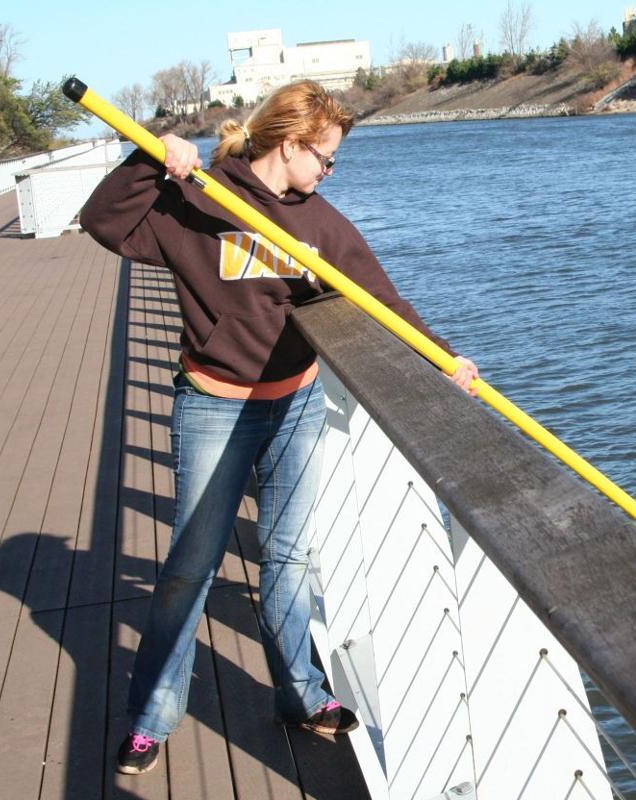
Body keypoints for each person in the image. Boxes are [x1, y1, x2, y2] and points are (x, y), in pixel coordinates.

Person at [80, 80, 479, 776]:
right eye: (325, 157)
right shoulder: (198, 200)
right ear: (291, 145)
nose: (330, 171)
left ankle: (302, 696)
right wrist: (150, 161)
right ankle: (151, 716)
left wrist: (444, 357)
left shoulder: (319, 225)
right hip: (214, 404)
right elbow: (105, 224)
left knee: (288, 559)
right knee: (189, 570)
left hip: (294, 402)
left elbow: (380, 298)